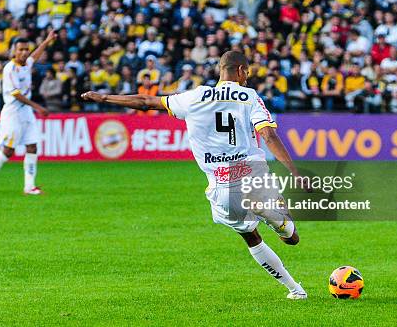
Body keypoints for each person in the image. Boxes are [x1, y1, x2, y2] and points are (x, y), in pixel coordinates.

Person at [81, 51, 307, 300]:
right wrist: (295, 172)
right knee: (291, 238)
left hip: (222, 185)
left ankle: (295, 289)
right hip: (253, 175)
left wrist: (103, 97)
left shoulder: (195, 96)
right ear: (241, 70)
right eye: (247, 73)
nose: (247, 78)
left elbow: (146, 102)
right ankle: (280, 222)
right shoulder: (249, 96)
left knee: (251, 237)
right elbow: (268, 135)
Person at [0, 31, 56, 195]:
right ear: (13, 50)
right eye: (20, 49)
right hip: (13, 112)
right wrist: (38, 107)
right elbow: (16, 94)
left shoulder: (27, 63)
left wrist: (47, 41)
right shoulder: (9, 69)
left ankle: (29, 187)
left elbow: (35, 55)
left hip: (26, 112)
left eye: (26, 49)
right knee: (8, 151)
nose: (24, 52)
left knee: (32, 146)